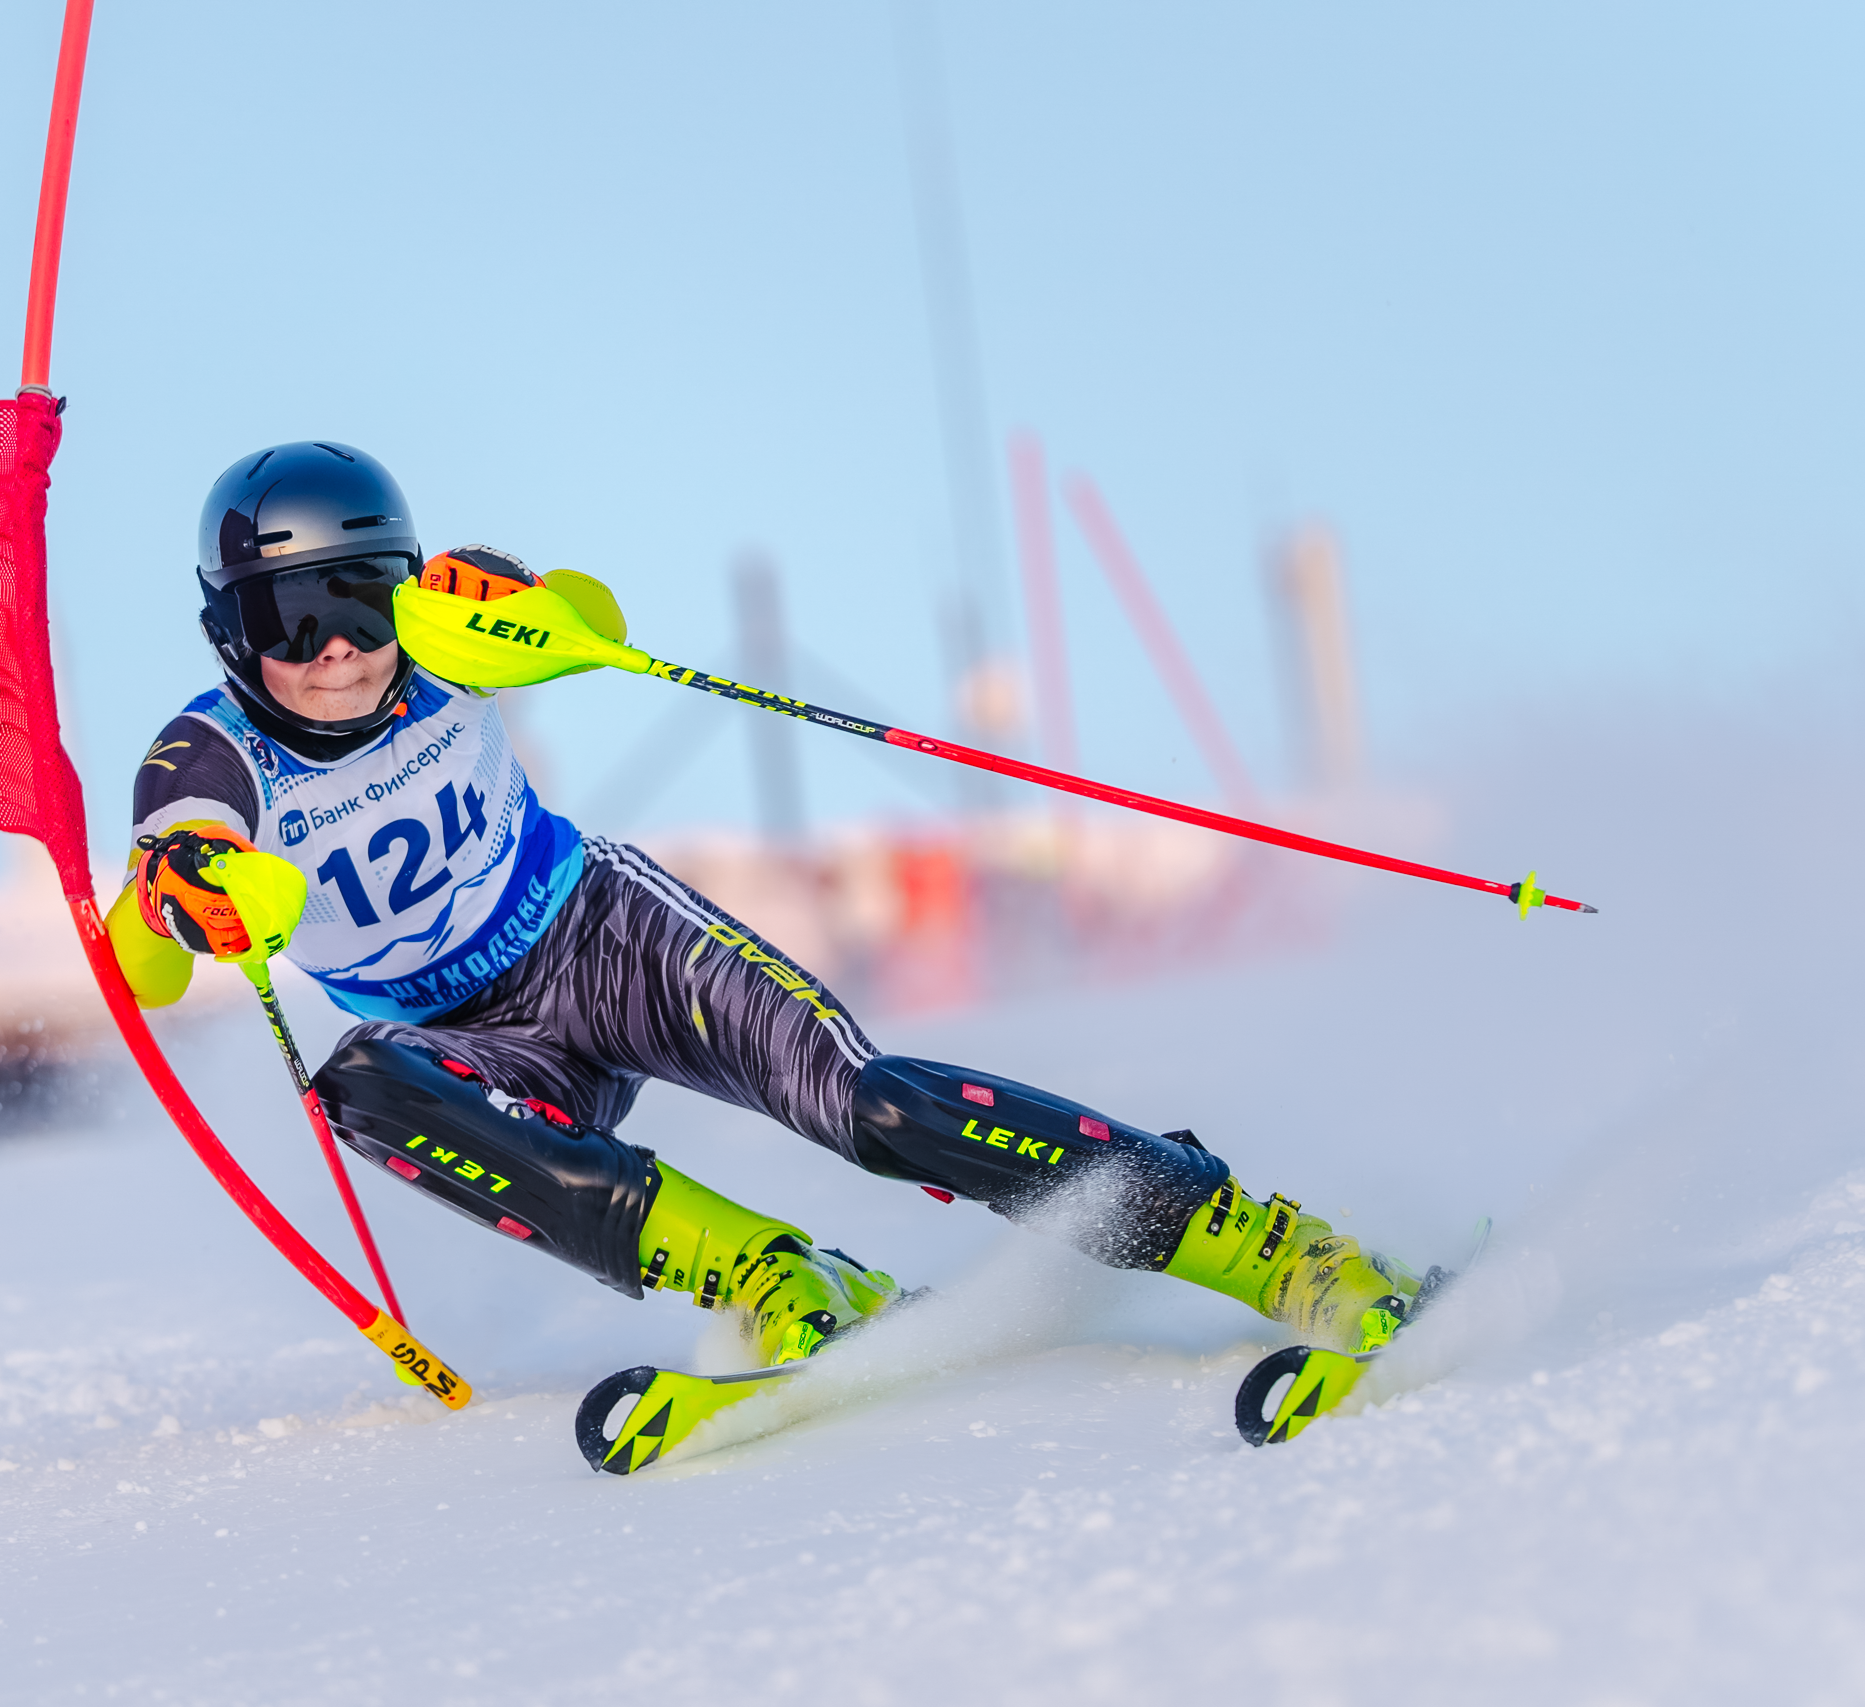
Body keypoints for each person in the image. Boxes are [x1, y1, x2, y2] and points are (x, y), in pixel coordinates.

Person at [110, 441, 1423, 1379]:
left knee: (873, 1106)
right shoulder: (210, 753)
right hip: (475, 1044)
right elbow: (159, 909)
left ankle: (1259, 1240)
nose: (338, 649)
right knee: (360, 1086)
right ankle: (771, 1273)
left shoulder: (442, 637)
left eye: (356, 596)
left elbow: (587, 622)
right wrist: (187, 896)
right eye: (293, 617)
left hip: (603, 937)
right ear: (230, 631)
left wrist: (531, 614)